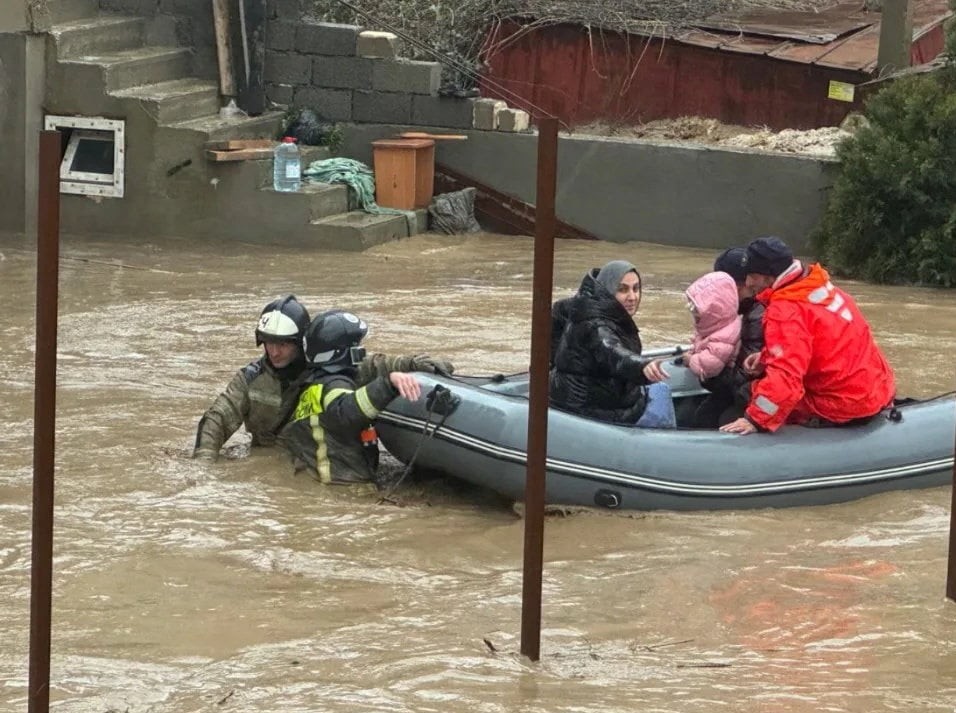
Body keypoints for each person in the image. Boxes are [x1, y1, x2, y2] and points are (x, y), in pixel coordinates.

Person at [193, 295, 452, 461]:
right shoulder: (250, 379)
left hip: (316, 462)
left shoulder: (328, 369)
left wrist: (414, 363)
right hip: (271, 461)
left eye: (282, 344)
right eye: (268, 343)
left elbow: (374, 365)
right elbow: (218, 418)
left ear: (300, 343)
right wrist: (204, 463)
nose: (274, 351)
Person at [720, 237, 896, 435]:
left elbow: (786, 380)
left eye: (753, 276)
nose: (749, 283)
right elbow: (817, 343)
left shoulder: (786, 311)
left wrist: (755, 420)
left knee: (745, 396)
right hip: (874, 390)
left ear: (769, 276)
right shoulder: (819, 287)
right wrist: (766, 357)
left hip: (842, 403)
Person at [278, 310, 421, 484]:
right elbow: (346, 412)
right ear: (345, 352)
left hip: (323, 483)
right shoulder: (335, 386)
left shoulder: (314, 386)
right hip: (344, 488)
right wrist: (388, 384)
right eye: (357, 347)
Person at [550, 260, 673, 427]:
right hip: (594, 412)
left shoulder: (581, 305)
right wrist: (641, 366)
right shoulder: (596, 326)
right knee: (660, 397)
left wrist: (553, 361)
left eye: (636, 289)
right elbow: (612, 351)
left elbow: (556, 313)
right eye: (622, 290)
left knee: (659, 389)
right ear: (607, 290)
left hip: (594, 397)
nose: (632, 297)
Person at [691, 248, 766, 427]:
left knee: (717, 419)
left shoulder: (756, 318)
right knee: (702, 415)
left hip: (753, 395)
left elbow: (741, 380)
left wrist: (704, 368)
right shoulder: (731, 314)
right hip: (740, 389)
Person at [682, 271, 742, 381]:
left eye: (696, 310)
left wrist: (690, 360)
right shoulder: (716, 325)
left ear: (714, 310)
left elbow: (708, 367)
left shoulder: (725, 336)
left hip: (723, 385)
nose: (694, 314)